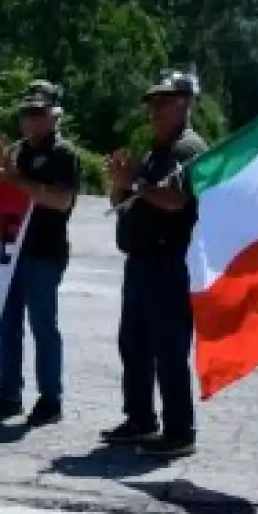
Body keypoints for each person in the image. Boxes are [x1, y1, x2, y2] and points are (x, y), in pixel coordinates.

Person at [103, 69, 210, 459]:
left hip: (171, 261)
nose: (154, 110)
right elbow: (124, 203)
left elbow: (175, 200)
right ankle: (140, 418)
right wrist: (119, 182)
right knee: (133, 344)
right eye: (152, 102)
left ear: (184, 103)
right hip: (141, 260)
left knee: (168, 347)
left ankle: (179, 430)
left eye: (163, 102)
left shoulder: (188, 150)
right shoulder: (153, 152)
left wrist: (134, 182)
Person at [0, 80, 80, 427]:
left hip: (45, 251)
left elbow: (60, 199)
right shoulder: (17, 152)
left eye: (38, 114)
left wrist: (13, 179)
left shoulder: (64, 154)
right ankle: (8, 394)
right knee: (7, 325)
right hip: (13, 249)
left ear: (53, 118)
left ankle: (50, 398)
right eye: (25, 114)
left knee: (42, 325)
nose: (30, 121)